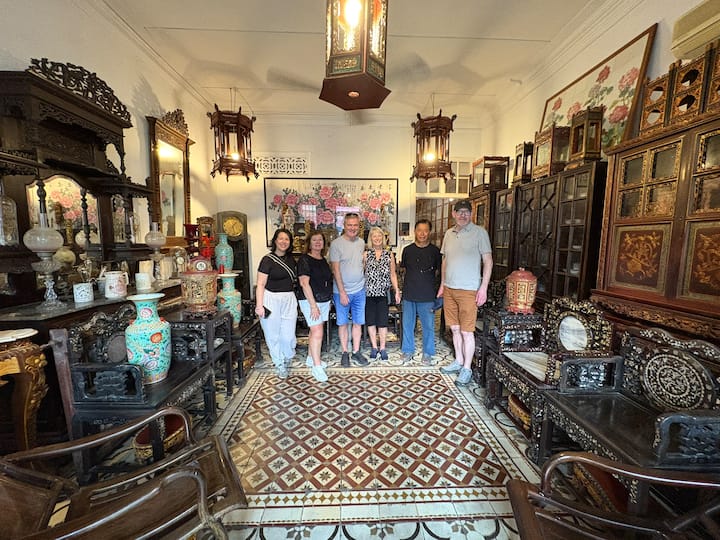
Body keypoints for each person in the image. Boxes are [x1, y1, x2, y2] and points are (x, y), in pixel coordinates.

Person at [438, 199, 493, 386]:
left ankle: (467, 368)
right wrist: (442, 284)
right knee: (454, 329)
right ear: (453, 214)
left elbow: (488, 261)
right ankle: (459, 360)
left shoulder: (480, 233)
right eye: (459, 211)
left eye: (466, 212)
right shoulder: (449, 234)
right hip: (449, 288)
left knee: (466, 331)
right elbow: (445, 261)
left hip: (469, 289)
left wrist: (483, 287)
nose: (463, 215)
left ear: (471, 214)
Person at [255, 228, 298, 379]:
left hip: (289, 299)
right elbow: (260, 284)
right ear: (275, 241)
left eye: (287, 239)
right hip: (270, 299)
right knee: (272, 334)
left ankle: (287, 355)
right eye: (281, 238)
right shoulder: (267, 260)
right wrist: (259, 305)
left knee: (288, 334)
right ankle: (279, 363)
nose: (283, 242)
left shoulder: (291, 260)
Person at [399, 219, 442, 365]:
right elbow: (403, 270)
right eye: (419, 230)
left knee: (428, 326)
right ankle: (407, 350)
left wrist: (438, 293)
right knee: (407, 324)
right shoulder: (407, 250)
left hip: (427, 294)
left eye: (425, 231)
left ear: (429, 232)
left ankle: (428, 353)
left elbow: (439, 273)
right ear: (415, 232)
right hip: (409, 293)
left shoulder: (435, 251)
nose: (422, 234)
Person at [329, 212, 369, 367]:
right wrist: (342, 292)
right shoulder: (336, 244)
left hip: (359, 291)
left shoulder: (361, 243)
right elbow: (335, 270)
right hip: (342, 292)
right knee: (343, 323)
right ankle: (345, 352)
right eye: (349, 225)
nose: (352, 228)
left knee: (358, 323)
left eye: (355, 225)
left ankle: (356, 352)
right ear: (344, 226)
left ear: (359, 226)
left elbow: (361, 264)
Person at [297, 230, 333, 383]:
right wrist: (313, 305)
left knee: (315, 330)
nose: (318, 242)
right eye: (314, 240)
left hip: (323, 300)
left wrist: (328, 301)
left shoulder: (322, 259)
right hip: (310, 300)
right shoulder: (305, 260)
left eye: (320, 240)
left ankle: (311, 358)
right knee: (318, 331)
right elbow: (304, 283)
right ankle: (317, 367)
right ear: (309, 243)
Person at [363, 227, 401, 361]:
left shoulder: (389, 255)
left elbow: (393, 274)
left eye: (379, 236)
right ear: (371, 239)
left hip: (383, 294)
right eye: (374, 236)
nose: (377, 238)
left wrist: (397, 290)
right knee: (371, 321)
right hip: (368, 293)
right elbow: (361, 273)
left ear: (383, 238)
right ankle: (374, 347)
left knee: (382, 322)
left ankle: (383, 348)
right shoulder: (366, 255)